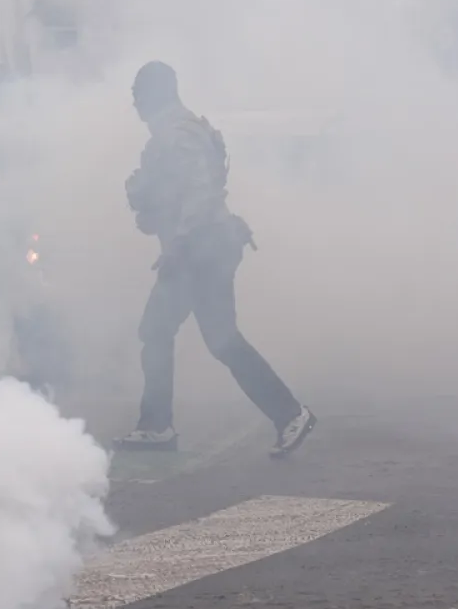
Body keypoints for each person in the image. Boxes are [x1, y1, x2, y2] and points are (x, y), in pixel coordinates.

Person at [114, 61, 316, 457]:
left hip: (200, 251)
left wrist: (179, 244)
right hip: (207, 248)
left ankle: (157, 426)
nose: (134, 102)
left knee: (157, 331)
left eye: (138, 92)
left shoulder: (176, 134)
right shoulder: (180, 130)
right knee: (220, 340)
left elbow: (199, 191)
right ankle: (288, 414)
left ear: (157, 92)